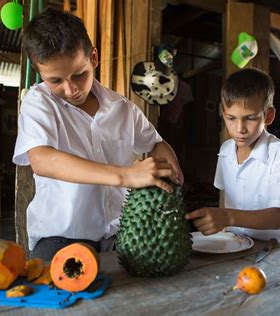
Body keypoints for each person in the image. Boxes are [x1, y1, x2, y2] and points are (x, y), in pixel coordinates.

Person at [13, 9, 183, 260]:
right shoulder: (38, 103)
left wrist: (171, 172)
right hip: (61, 237)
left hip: (122, 233)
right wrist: (126, 175)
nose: (70, 89)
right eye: (55, 80)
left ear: (93, 58)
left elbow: (156, 143)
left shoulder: (122, 108)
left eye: (79, 75)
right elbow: (41, 160)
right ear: (40, 74)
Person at [185, 68, 280, 249]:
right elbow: (225, 197)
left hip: (278, 251)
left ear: (268, 116)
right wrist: (221, 226)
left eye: (250, 118)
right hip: (238, 246)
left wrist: (226, 216)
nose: (239, 128)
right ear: (223, 114)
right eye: (231, 118)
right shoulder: (225, 151)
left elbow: (277, 218)